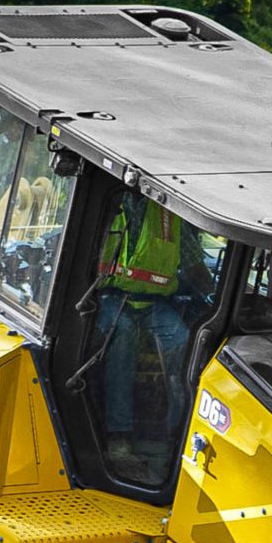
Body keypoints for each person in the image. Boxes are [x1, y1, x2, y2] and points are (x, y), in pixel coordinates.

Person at [92, 194, 210, 475]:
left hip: (155, 303)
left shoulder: (167, 213)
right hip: (111, 296)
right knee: (121, 337)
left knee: (183, 342)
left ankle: (178, 432)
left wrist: (215, 297)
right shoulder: (112, 204)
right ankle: (119, 435)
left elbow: (193, 263)